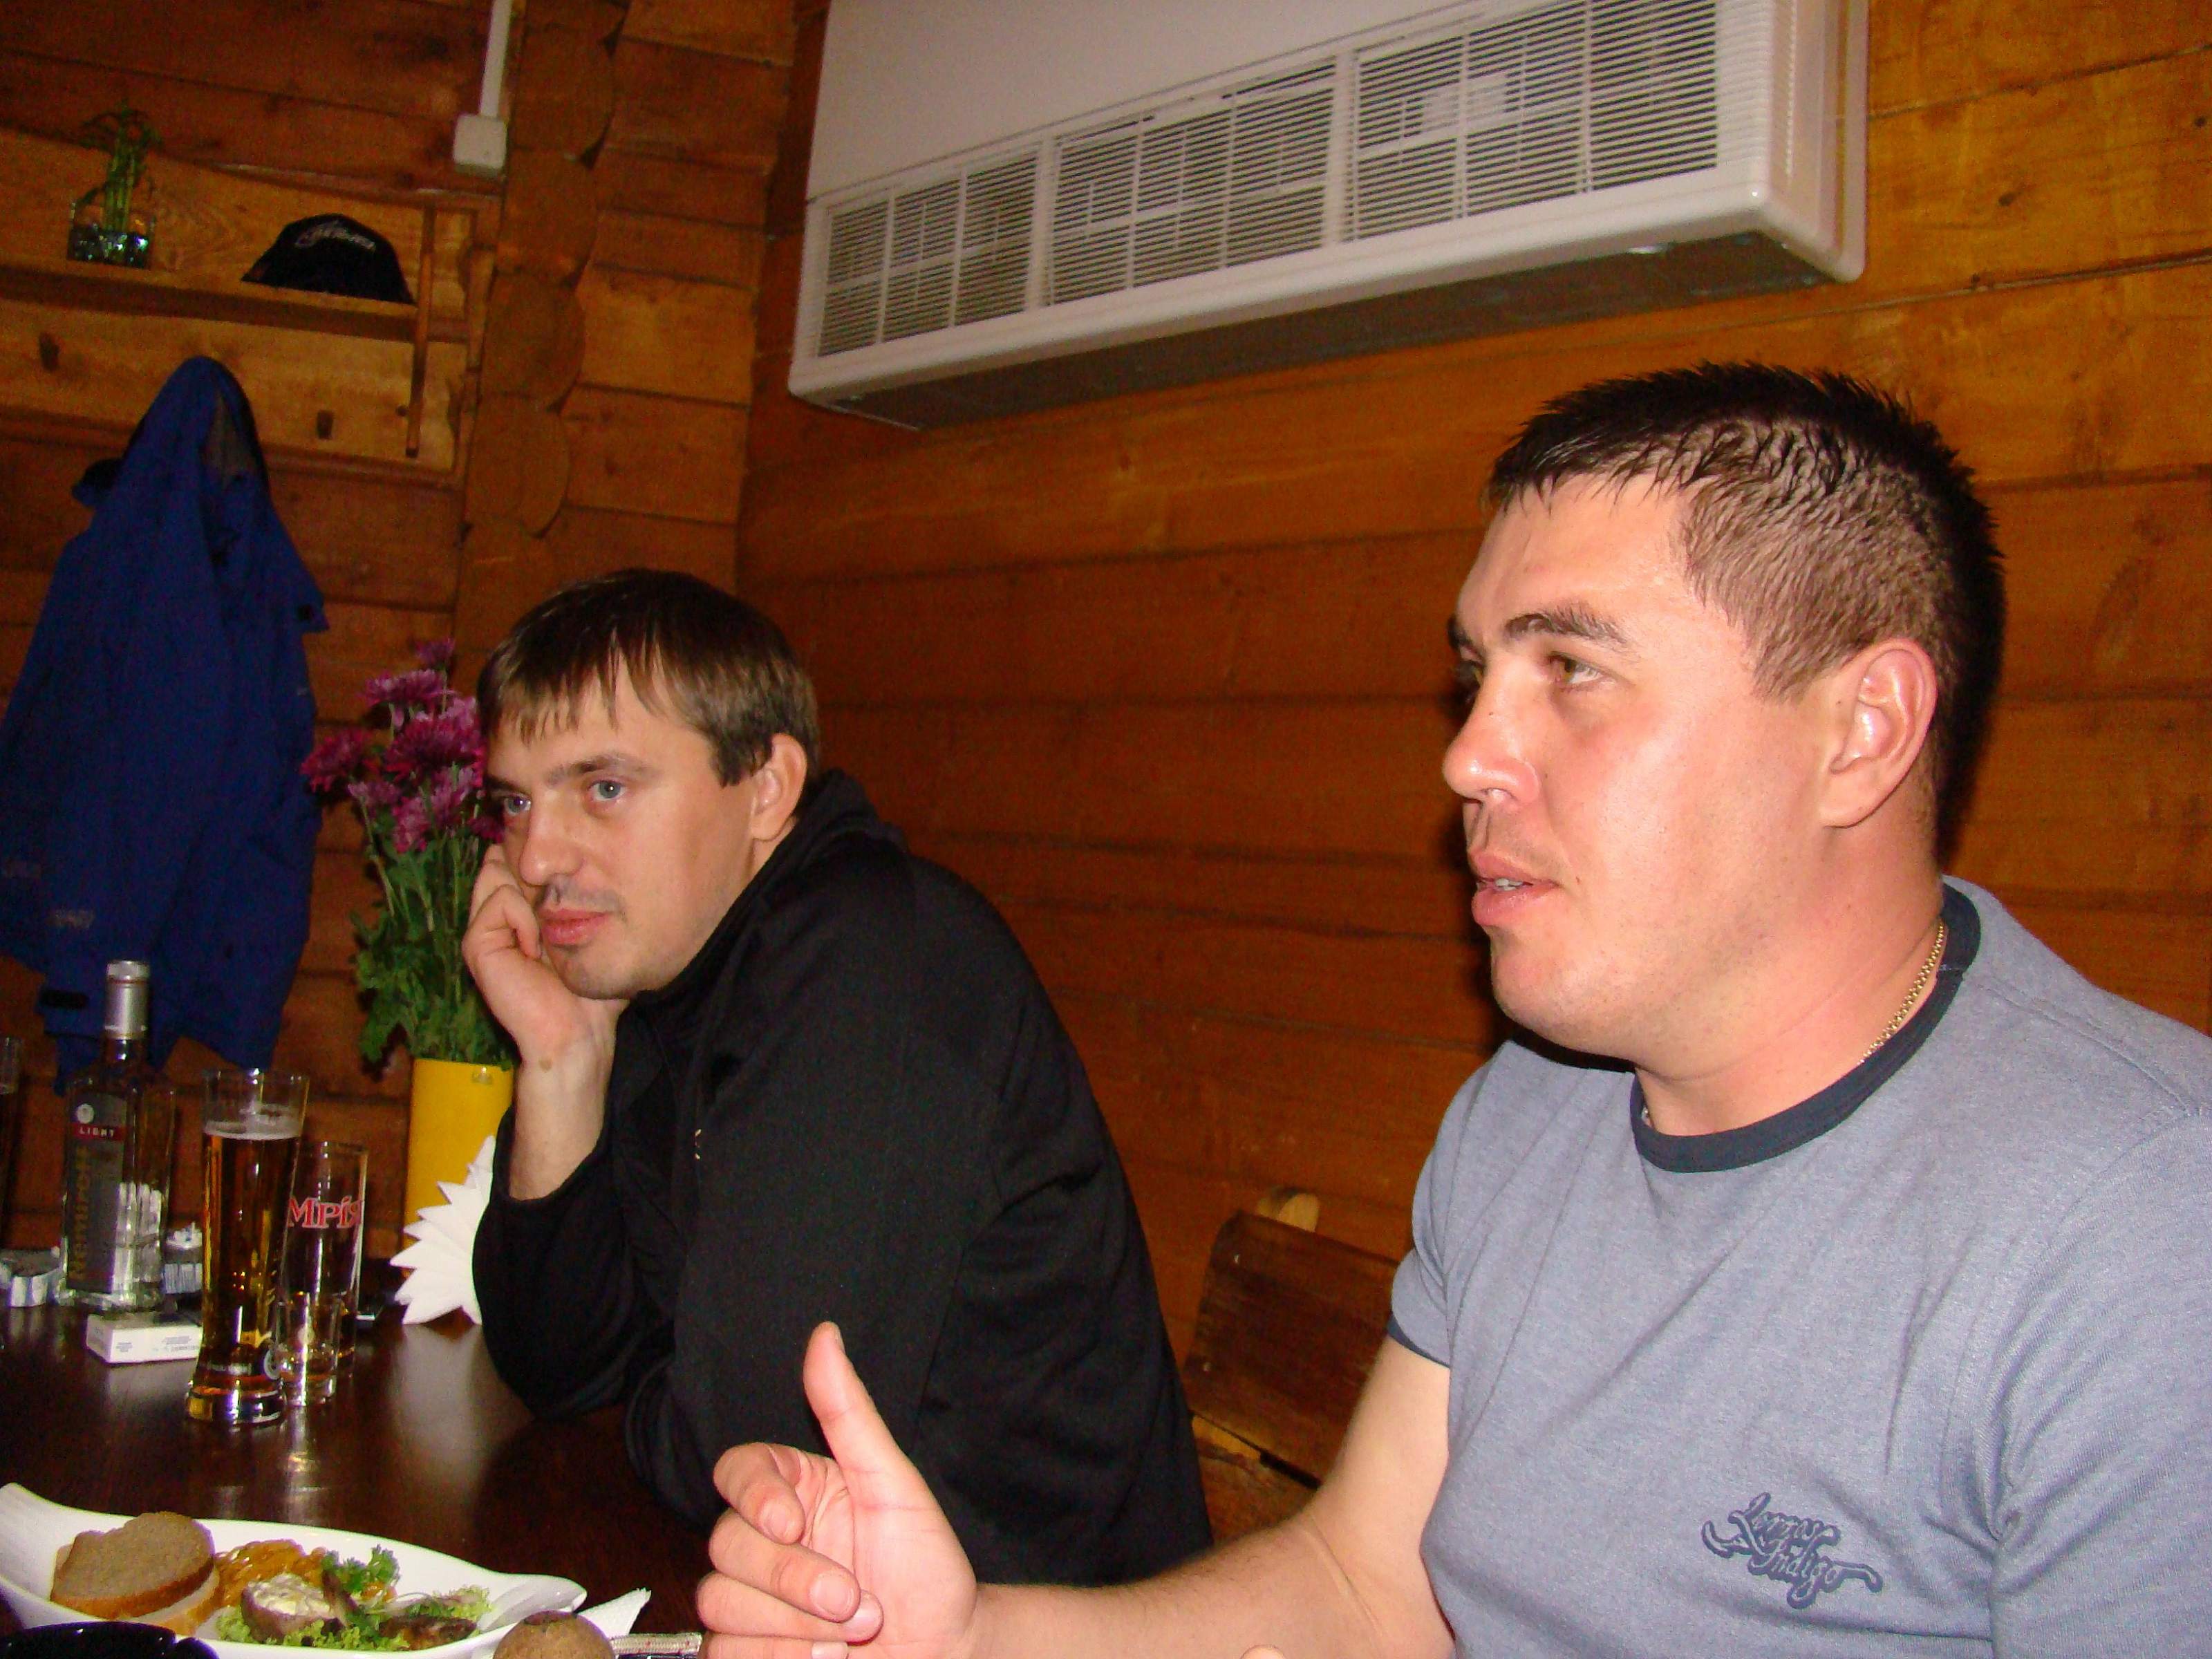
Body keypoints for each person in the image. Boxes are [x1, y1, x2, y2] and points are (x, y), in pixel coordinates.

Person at [694, 364, 2212, 1657]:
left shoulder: (2143, 1234)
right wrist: (972, 1638)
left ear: (1861, 730)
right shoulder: (1536, 1103)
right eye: (1481, 673)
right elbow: (1368, 1585)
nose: (1469, 755)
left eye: (1573, 669)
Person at [462, 570, 1211, 1584]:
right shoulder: (670, 974)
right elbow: (557, 1365)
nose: (538, 857)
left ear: (766, 789)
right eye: (515, 802)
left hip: (1047, 1625)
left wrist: (659, 1387)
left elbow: (753, 1451)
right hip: (844, 1604)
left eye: (604, 789)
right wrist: (561, 1057)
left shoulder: (870, 957)